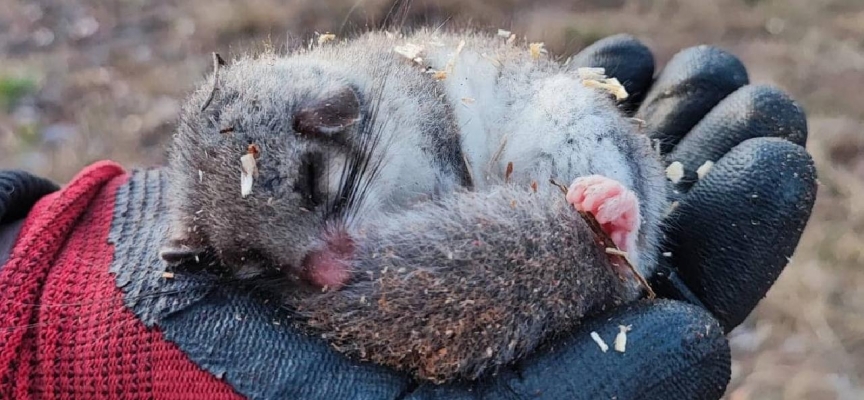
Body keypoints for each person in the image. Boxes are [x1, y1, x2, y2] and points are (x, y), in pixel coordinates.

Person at [0, 34, 816, 399]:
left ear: (335, 114)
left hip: (524, 154)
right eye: (284, 264)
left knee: (581, 125)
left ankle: (610, 238)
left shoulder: (378, 112)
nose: (325, 272)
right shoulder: (271, 195)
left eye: (321, 205)